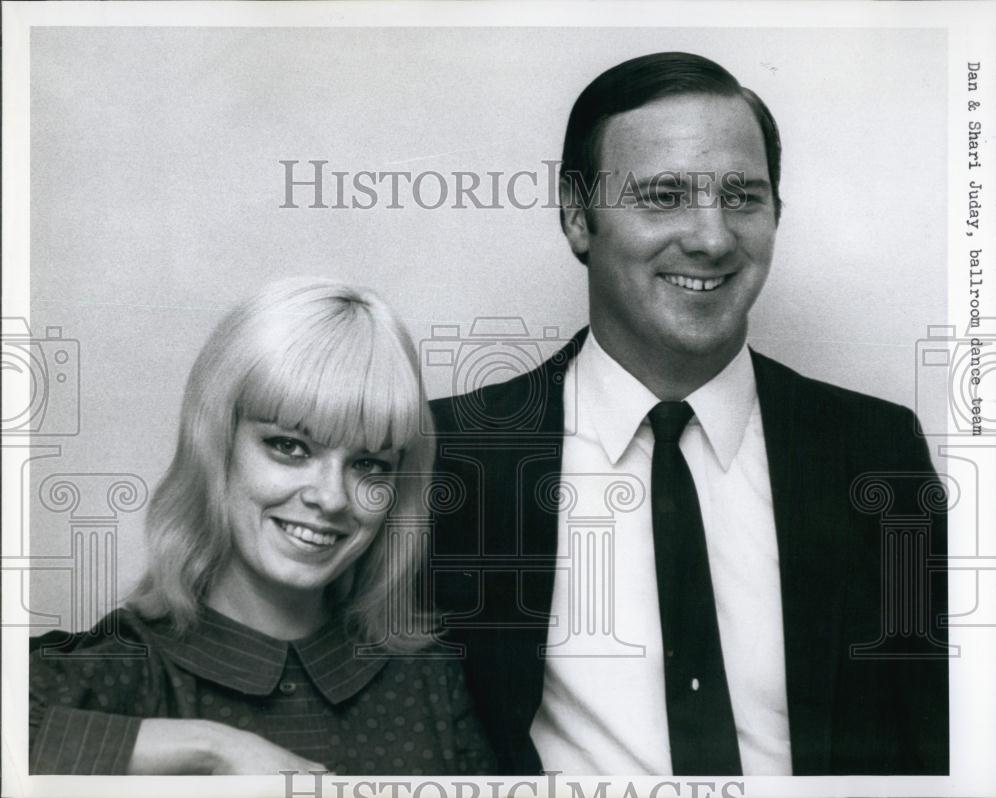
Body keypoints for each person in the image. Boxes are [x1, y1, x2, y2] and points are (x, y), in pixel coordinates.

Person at [430, 52, 948, 776]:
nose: (712, 237)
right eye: (665, 195)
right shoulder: (453, 454)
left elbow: (943, 733)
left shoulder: (874, 451)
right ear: (578, 216)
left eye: (743, 196)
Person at [30, 278, 496, 775]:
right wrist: (211, 750)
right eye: (290, 447)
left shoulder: (426, 677)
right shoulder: (116, 668)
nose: (332, 497)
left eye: (368, 465)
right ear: (217, 443)